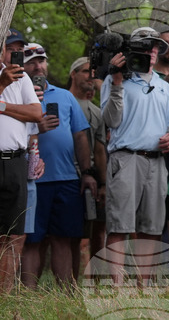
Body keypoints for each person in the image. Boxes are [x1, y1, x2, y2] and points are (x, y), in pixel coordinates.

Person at [101, 27, 169, 280]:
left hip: (157, 162)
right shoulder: (116, 79)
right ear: (133, 50)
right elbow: (111, 121)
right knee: (119, 226)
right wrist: (115, 81)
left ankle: (143, 286)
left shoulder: (163, 85)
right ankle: (117, 287)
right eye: (146, 47)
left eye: (156, 47)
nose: (152, 51)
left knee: (152, 227)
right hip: (125, 159)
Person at [21, 43, 96, 288]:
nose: (37, 66)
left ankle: (65, 293)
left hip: (65, 179)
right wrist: (35, 128)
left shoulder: (65, 96)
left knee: (64, 239)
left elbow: (80, 136)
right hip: (32, 180)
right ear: (22, 66)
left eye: (41, 60)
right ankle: (29, 295)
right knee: (33, 241)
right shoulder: (15, 95)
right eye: (31, 61)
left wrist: (86, 173)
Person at [0, 29, 43, 292]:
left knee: (15, 234)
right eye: (10, 48)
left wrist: (2, 106)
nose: (14, 54)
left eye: (19, 49)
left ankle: (4, 295)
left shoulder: (23, 76)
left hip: (16, 161)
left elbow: (36, 113)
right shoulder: (7, 79)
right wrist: (2, 85)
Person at [67, 56, 108, 265]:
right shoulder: (61, 101)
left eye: (94, 72)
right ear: (72, 74)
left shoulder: (98, 112)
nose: (91, 76)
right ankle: (69, 284)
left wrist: (102, 183)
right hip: (65, 175)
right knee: (68, 235)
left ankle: (96, 282)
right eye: (85, 71)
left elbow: (100, 151)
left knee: (97, 230)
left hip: (90, 179)